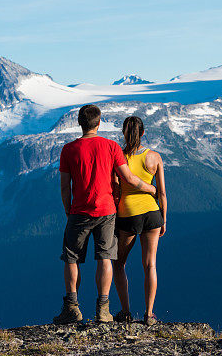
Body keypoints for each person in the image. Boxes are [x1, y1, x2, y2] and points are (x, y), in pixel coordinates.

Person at [53, 104, 156, 325]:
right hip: (107, 210)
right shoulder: (111, 146)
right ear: (99, 123)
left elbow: (64, 186)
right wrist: (151, 189)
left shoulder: (68, 149)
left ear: (80, 123)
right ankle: (103, 309)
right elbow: (128, 178)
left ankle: (72, 307)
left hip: (79, 210)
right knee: (105, 257)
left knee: (72, 258)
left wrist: (67, 209)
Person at [112, 116, 168, 326]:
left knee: (119, 264)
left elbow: (116, 188)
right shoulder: (154, 157)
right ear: (143, 133)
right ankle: (149, 314)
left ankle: (125, 312)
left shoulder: (118, 157)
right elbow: (162, 192)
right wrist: (164, 218)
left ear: (124, 134)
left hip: (128, 214)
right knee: (150, 264)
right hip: (153, 213)